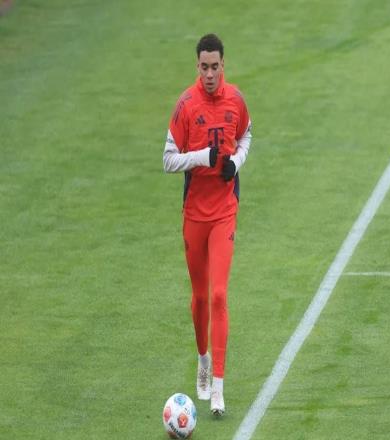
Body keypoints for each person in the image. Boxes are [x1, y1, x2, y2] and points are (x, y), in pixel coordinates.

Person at [163, 33, 252, 416]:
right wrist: (202, 157)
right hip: (194, 216)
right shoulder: (186, 105)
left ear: (223, 65)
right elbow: (168, 160)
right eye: (204, 67)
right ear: (197, 66)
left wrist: (236, 162)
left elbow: (247, 135)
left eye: (216, 67)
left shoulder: (236, 101)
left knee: (218, 295)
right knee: (200, 297)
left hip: (224, 213)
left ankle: (218, 387)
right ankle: (202, 360)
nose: (210, 74)